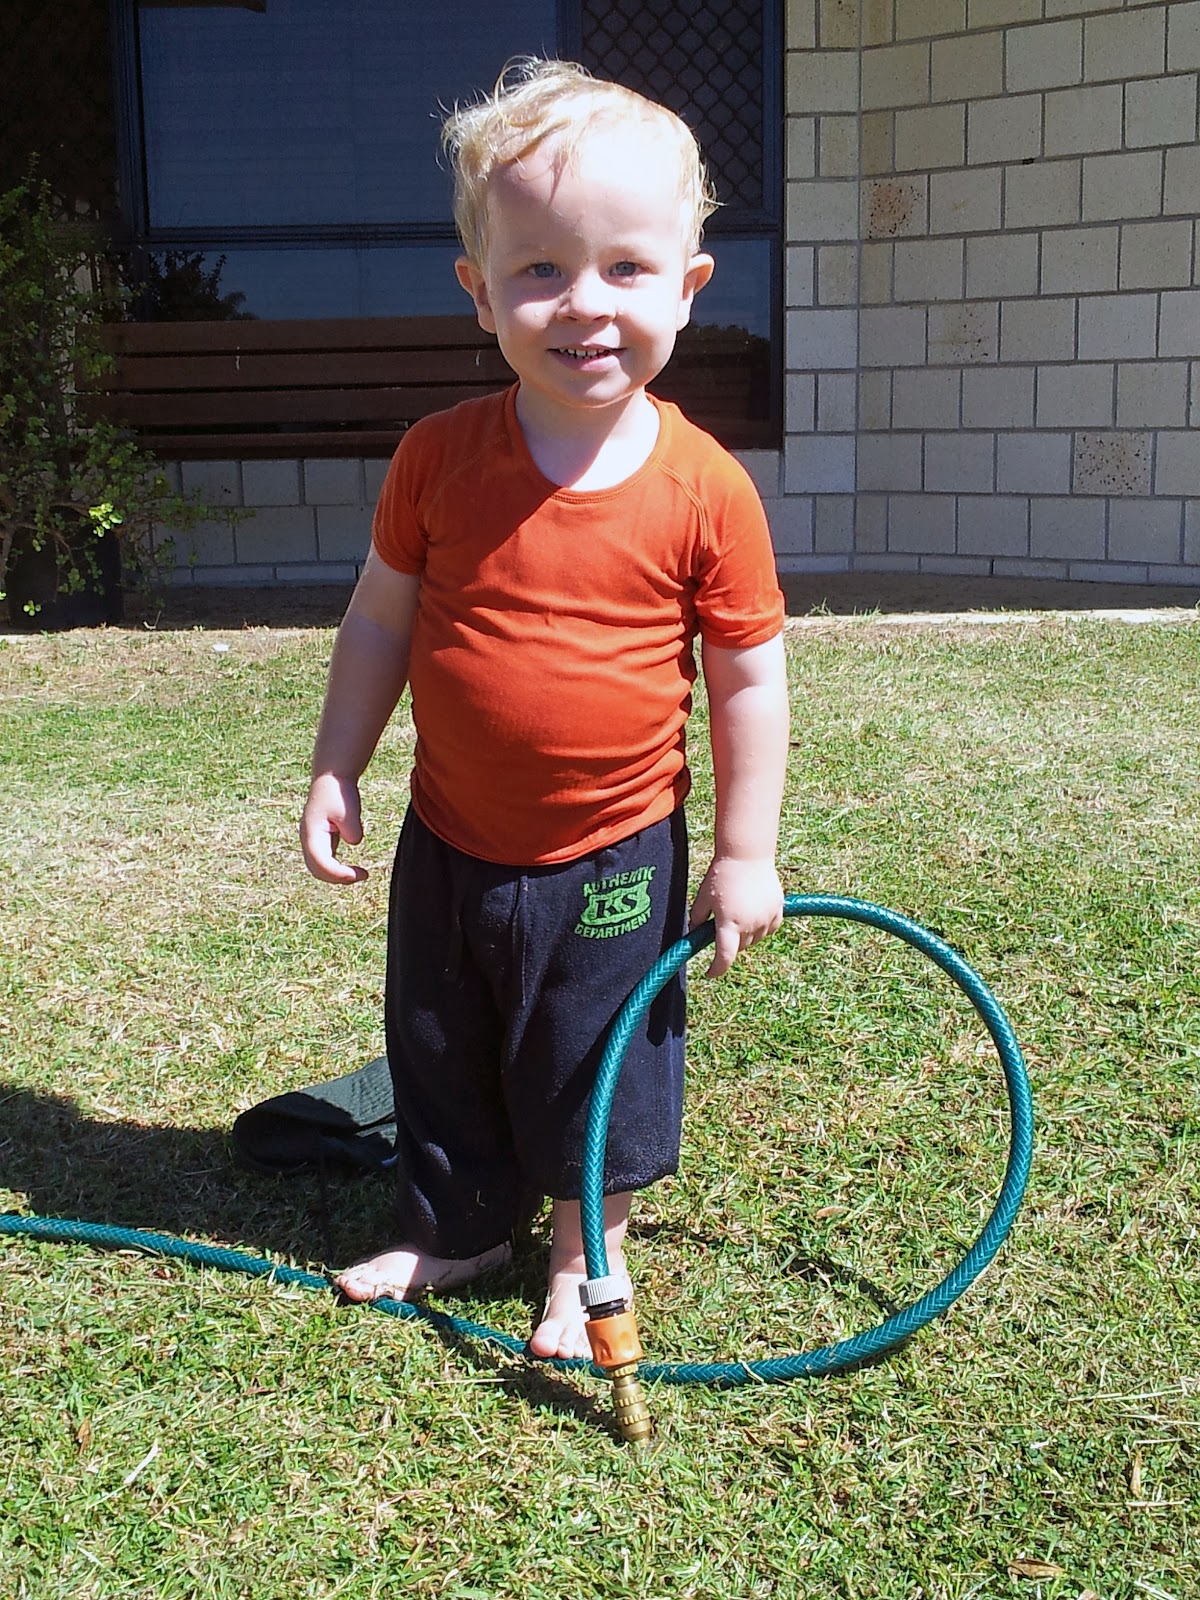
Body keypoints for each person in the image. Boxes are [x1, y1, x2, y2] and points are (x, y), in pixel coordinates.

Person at [299, 58, 789, 1361]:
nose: (585, 303)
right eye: (540, 270)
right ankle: (457, 1224)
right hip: (450, 836)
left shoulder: (706, 489)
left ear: (687, 286)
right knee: (438, 1040)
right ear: (479, 291)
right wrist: (338, 763)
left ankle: (584, 1257)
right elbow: (379, 621)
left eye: (626, 267)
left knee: (597, 1051)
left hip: (613, 849)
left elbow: (747, 675)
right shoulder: (436, 459)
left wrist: (743, 851)